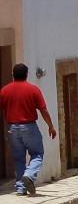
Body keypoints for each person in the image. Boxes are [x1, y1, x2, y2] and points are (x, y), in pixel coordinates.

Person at [0, 63, 57, 196]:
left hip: (12, 128)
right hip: (29, 126)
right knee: (37, 154)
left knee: (19, 158)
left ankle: (21, 188)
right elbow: (43, 110)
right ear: (26, 74)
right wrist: (51, 126)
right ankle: (29, 175)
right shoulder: (33, 90)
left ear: (13, 75)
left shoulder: (4, 91)